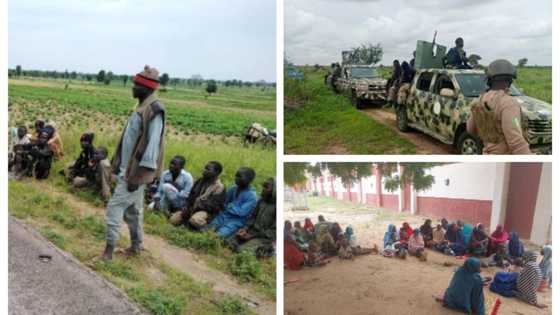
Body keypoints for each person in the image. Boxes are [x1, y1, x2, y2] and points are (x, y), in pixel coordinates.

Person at [101, 65, 166, 261]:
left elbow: (152, 146)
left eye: (136, 85)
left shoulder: (154, 109)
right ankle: (136, 248)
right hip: (128, 171)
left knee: (114, 209)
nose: (133, 87)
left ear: (146, 88)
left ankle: (108, 254)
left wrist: (137, 177)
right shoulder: (142, 106)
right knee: (134, 213)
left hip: (134, 174)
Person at [467, 59, 532, 154]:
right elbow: (516, 142)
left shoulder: (479, 100)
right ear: (510, 80)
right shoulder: (508, 103)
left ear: (489, 80)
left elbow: (470, 129)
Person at [169, 161, 226, 230]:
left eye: (208, 169)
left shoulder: (219, 187)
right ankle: (190, 223)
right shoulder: (200, 181)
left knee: (195, 220)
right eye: (205, 168)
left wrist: (195, 207)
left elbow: (212, 206)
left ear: (216, 173)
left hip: (207, 213)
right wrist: (186, 207)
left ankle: (207, 229)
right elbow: (190, 196)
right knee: (173, 220)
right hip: (193, 208)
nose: (204, 170)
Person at [228, 178, 276, 258]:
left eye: (266, 187)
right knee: (229, 242)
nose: (263, 189)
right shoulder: (261, 201)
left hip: (263, 237)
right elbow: (252, 217)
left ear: (274, 190)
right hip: (251, 232)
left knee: (242, 252)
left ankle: (267, 249)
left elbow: (273, 232)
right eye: (263, 186)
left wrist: (252, 236)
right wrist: (245, 229)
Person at [208, 167, 258, 237]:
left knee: (219, 236)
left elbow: (241, 212)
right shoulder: (233, 188)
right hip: (224, 215)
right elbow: (224, 202)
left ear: (249, 180)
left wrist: (228, 206)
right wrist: (229, 207)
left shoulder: (252, 196)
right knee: (208, 230)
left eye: (239, 176)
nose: (236, 178)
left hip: (237, 220)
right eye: (236, 175)